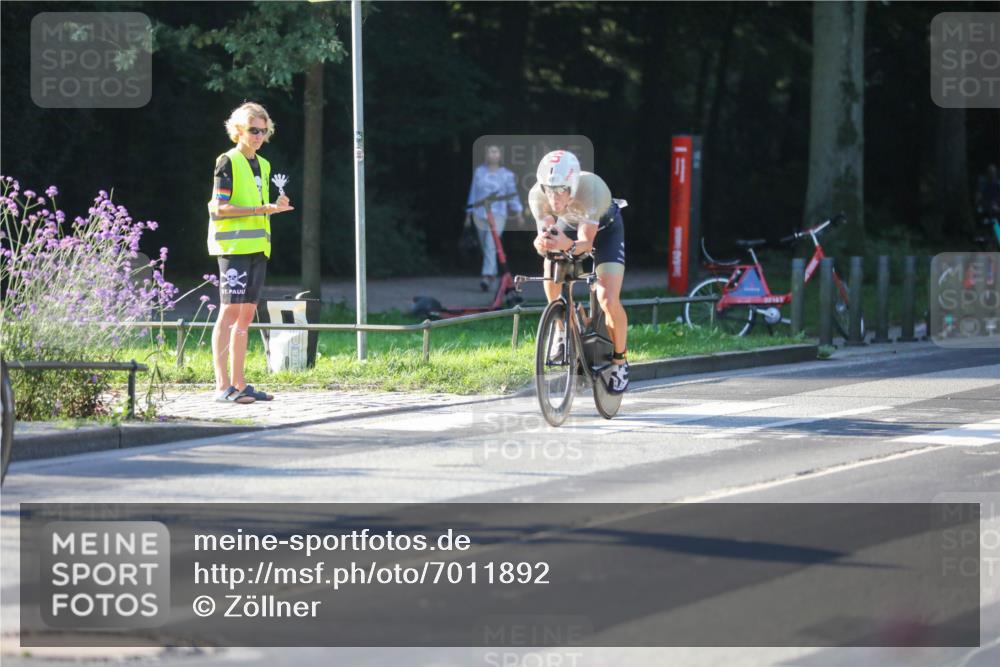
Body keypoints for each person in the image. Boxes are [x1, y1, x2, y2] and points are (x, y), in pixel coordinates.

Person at [207, 102, 294, 404]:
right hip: (233, 248)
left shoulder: (264, 165)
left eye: (263, 131)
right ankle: (222, 386)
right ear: (238, 130)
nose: (258, 136)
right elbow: (219, 208)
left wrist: (275, 207)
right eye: (253, 130)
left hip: (258, 248)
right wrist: (260, 209)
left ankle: (240, 384)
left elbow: (260, 206)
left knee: (245, 318)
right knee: (229, 313)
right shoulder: (227, 161)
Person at [530, 150, 630, 393]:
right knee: (551, 262)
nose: (553, 197)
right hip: (571, 226)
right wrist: (542, 243)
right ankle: (560, 328)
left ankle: (620, 361)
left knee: (608, 299)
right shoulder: (537, 195)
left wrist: (567, 244)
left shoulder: (592, 189)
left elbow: (585, 242)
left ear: (573, 186)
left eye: (560, 190)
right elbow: (546, 234)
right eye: (549, 190)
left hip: (605, 232)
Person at [465, 145, 523, 291]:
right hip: (479, 213)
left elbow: (512, 194)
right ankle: (492, 275)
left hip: (498, 213)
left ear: (500, 155)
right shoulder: (479, 172)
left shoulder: (507, 175)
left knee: (491, 243)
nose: (492, 154)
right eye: (490, 151)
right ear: (486, 155)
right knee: (485, 245)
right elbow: (473, 193)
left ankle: (486, 276)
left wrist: (519, 213)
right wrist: (468, 214)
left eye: (495, 151)